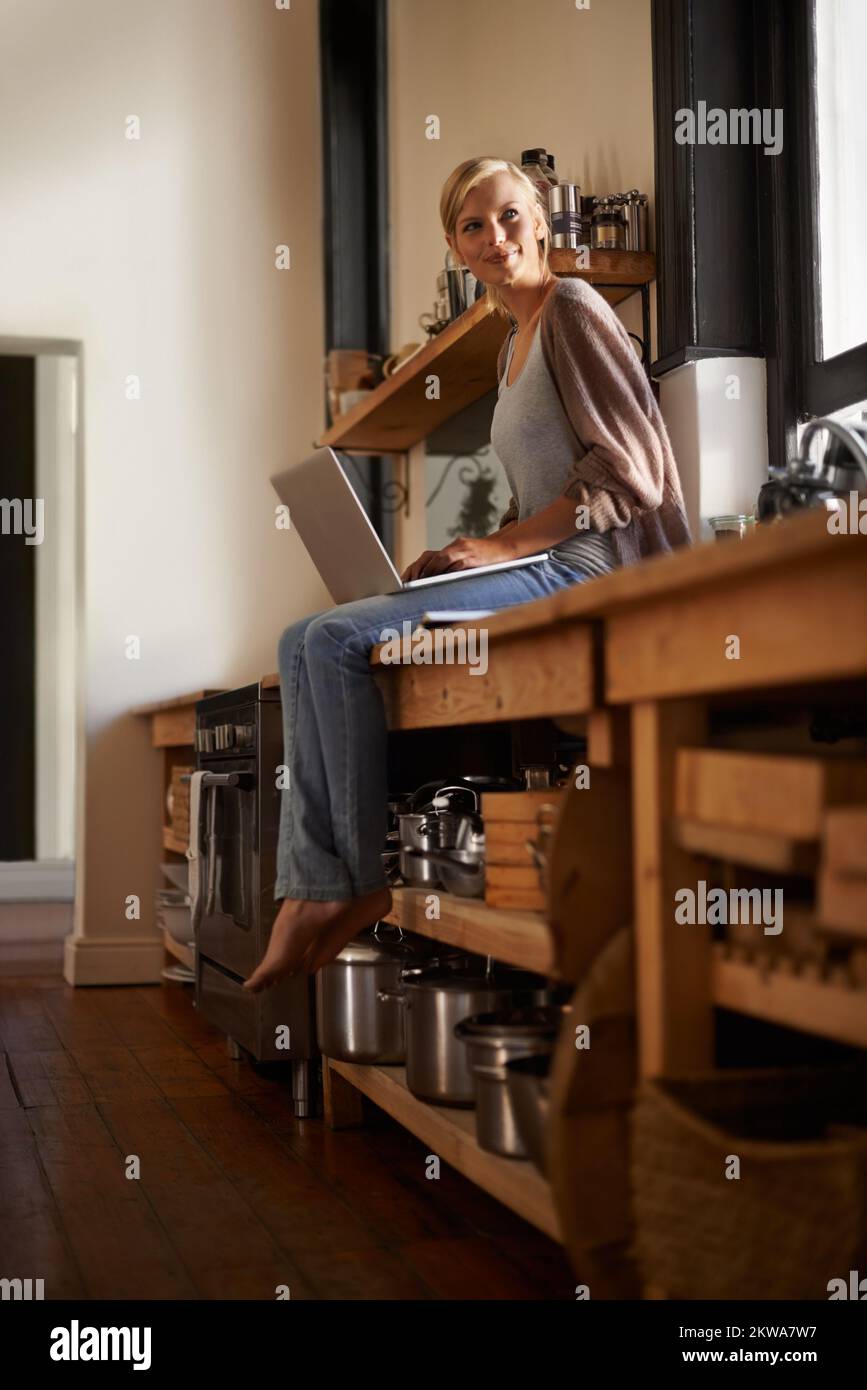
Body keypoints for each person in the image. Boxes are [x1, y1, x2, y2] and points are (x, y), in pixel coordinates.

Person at [244, 155, 690, 993]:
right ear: (456, 246)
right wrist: (468, 550)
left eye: (511, 215)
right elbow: (546, 491)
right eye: (474, 226)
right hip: (546, 559)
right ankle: (314, 886)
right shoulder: (510, 348)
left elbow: (626, 474)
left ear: (543, 219)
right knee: (300, 635)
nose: (497, 237)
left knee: (337, 637)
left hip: (588, 570)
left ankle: (344, 884)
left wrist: (506, 546)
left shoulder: (574, 309)